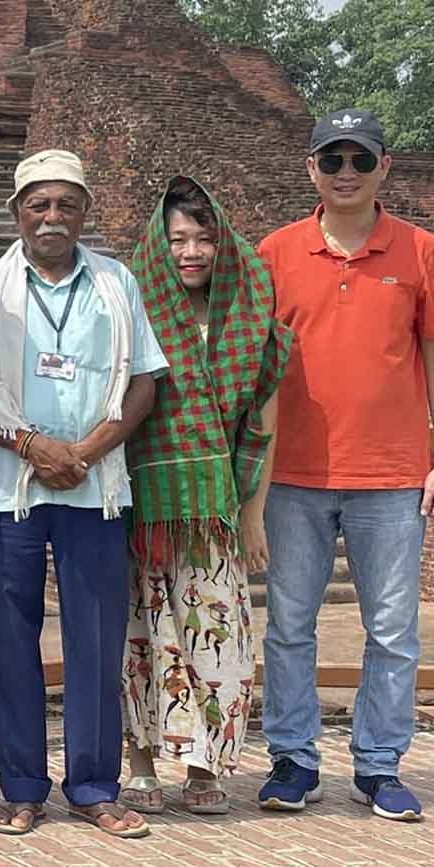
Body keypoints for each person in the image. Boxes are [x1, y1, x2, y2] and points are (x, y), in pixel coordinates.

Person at [255, 109, 434, 822]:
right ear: (310, 168)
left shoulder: (418, 249)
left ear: (384, 168)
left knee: (394, 629)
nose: (346, 173)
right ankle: (293, 758)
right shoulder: (277, 251)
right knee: (287, 624)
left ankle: (378, 764)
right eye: (332, 160)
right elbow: (249, 361)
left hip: (393, 472)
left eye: (360, 161)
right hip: (294, 473)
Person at [0, 149, 167, 839]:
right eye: (39, 205)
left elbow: (143, 381)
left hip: (94, 482)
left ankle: (94, 785)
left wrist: (88, 449)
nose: (52, 217)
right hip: (8, 484)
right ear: (18, 213)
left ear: (84, 212)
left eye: (66, 204)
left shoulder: (115, 283)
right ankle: (20, 786)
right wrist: (28, 445)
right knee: (9, 637)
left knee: (96, 638)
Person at [119, 177, 289, 817]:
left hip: (215, 508)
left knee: (216, 637)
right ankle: (139, 763)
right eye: (178, 239)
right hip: (143, 502)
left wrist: (253, 512)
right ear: (159, 248)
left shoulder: (246, 316)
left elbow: (263, 421)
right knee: (141, 634)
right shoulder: (136, 308)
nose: (191, 252)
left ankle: (202, 766)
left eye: (204, 238)